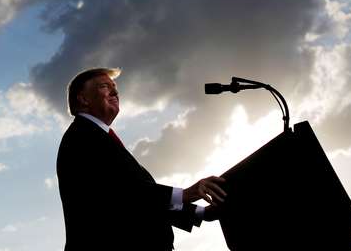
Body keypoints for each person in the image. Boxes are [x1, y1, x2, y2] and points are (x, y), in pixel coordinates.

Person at [56, 67, 226, 251]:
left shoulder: (97, 136)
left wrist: (203, 213)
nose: (115, 91)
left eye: (114, 86)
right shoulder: (80, 138)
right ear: (83, 98)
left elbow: (136, 203)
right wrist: (184, 194)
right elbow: (124, 193)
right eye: (104, 86)